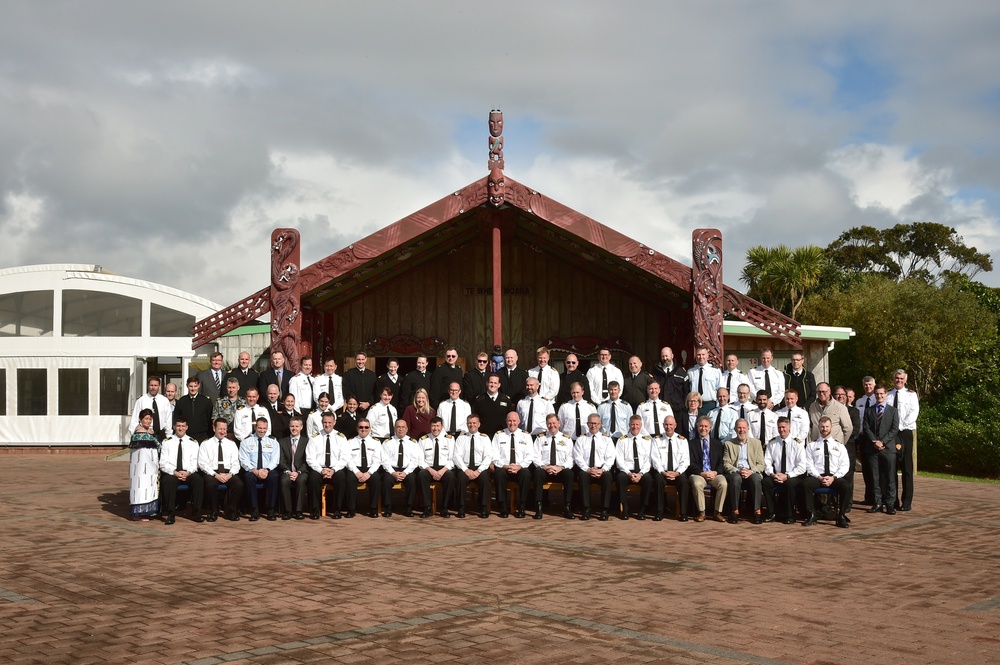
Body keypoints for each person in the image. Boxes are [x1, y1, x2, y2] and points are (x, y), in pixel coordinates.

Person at [802, 416, 852, 528]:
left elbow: (845, 465)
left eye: (827, 426)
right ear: (819, 427)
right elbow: (808, 464)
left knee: (846, 486)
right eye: (822, 426)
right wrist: (819, 477)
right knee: (806, 484)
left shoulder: (839, 446)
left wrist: (833, 477)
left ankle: (841, 516)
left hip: (834, 477)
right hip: (818, 477)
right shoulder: (812, 446)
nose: (824, 429)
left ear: (831, 427)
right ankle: (811, 514)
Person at [761, 416, 809, 524]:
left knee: (789, 484)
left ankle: (789, 515)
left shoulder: (797, 443)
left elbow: (802, 466)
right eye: (779, 427)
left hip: (793, 476)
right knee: (765, 482)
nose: (781, 430)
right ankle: (772, 513)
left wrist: (787, 476)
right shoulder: (772, 443)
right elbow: (767, 462)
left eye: (784, 427)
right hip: (777, 475)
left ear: (789, 427)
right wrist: (773, 474)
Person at [158, 417, 204, 524]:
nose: (180, 428)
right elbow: (163, 463)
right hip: (172, 472)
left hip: (188, 472)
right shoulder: (167, 442)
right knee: (168, 481)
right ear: (174, 427)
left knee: (199, 481)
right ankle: (170, 514)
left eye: (183, 426)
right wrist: (174, 472)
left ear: (187, 427)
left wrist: (188, 472)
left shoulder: (193, 442)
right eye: (178, 426)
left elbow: (195, 462)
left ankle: (197, 512)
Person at [862, 384, 900, 514]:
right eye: (877, 394)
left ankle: (890, 504)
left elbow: (894, 429)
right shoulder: (869, 410)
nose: (879, 396)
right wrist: (875, 441)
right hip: (873, 449)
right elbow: (866, 428)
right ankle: (877, 502)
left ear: (886, 395)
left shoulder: (893, 411)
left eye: (881, 394)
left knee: (890, 478)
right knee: (875, 478)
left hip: (888, 449)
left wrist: (883, 441)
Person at [492, 411, 538, 518]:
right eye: (509, 421)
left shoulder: (526, 435)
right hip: (504, 467)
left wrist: (519, 466)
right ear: (506, 422)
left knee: (526, 474)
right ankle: (503, 506)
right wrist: (505, 466)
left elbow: (530, 455)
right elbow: (494, 455)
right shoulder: (499, 435)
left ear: (519, 422)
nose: (512, 423)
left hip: (520, 467)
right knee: (498, 473)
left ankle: (522, 506)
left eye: (514, 421)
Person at [198, 418, 244, 521]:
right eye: (220, 429)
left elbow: (236, 462)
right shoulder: (206, 444)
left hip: (228, 472)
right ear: (214, 428)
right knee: (210, 485)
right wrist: (215, 475)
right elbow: (202, 463)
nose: (223, 432)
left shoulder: (231, 444)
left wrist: (230, 474)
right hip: (212, 472)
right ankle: (213, 512)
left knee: (239, 484)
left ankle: (231, 511)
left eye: (224, 429)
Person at [305, 412, 348, 519]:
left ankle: (337, 509)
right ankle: (315, 510)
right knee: (312, 479)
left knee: (341, 478)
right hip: (319, 469)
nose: (327, 425)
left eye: (329, 422)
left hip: (335, 469)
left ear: (334, 422)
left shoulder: (341, 437)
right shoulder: (314, 438)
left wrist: (333, 470)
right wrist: (321, 470)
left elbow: (344, 458)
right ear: (321, 422)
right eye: (325, 422)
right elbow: (310, 458)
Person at [573, 413, 615, 521]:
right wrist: (588, 469)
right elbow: (577, 457)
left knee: (608, 477)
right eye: (591, 423)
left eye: (596, 423)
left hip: (601, 469)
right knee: (582, 477)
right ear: (587, 424)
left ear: (600, 424)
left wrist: (603, 470)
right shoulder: (581, 439)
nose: (593, 426)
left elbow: (610, 457)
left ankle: (604, 510)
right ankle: (586, 509)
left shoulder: (607, 439)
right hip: (586, 469)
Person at [722, 418, 765, 524]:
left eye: (744, 428)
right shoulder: (729, 444)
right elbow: (726, 463)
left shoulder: (756, 443)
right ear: (735, 429)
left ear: (748, 429)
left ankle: (757, 511)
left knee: (756, 479)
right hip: (737, 472)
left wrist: (751, 471)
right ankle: (735, 511)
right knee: (735, 479)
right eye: (739, 428)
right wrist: (737, 471)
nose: (742, 430)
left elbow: (761, 464)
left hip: (751, 471)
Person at [888, 370, 919, 511]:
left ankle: (906, 501)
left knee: (907, 468)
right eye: (896, 378)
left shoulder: (911, 395)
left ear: (905, 380)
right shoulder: (888, 395)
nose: (898, 380)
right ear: (893, 379)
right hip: (891, 434)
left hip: (905, 432)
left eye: (901, 378)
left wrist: (899, 426)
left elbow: (913, 413)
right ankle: (892, 500)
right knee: (891, 467)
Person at [239, 417, 280, 521]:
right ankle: (254, 510)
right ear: (255, 427)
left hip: (267, 470)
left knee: (274, 476)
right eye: (260, 428)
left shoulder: (273, 441)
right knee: (248, 477)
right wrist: (254, 470)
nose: (262, 431)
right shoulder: (246, 441)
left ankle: (271, 509)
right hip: (253, 470)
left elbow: (275, 459)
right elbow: (243, 459)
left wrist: (266, 470)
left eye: (264, 428)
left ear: (267, 428)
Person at [687, 416, 728, 522]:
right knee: (696, 484)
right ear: (697, 428)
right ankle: (702, 512)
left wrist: (715, 472)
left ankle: (717, 512)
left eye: (706, 426)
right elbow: (690, 462)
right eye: (701, 426)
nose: (703, 428)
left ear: (710, 428)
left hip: (714, 473)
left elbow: (721, 462)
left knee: (723, 483)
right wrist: (702, 473)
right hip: (699, 474)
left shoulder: (717, 444)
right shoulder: (691, 444)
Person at [536, 413, 576, 520]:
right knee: (537, 473)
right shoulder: (540, 438)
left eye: (554, 423)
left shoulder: (567, 439)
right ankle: (539, 507)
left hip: (560, 470)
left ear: (559, 423)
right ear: (546, 424)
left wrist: (560, 468)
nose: (551, 425)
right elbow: (535, 457)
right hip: (545, 469)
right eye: (549, 423)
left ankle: (567, 506)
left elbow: (571, 458)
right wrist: (545, 467)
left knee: (569, 474)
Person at [453, 414, 494, 518]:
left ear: (479, 424)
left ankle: (484, 507)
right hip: (465, 467)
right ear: (467, 424)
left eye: (474, 423)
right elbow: (456, 456)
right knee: (460, 479)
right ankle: (461, 507)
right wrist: (465, 470)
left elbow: (488, 456)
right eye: (470, 423)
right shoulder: (461, 438)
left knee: (485, 479)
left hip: (480, 467)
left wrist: (478, 471)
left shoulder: (484, 438)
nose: (472, 425)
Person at [651, 415, 690, 521]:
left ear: (675, 425)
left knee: (684, 482)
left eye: (671, 424)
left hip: (677, 473)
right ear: (663, 425)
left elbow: (685, 460)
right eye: (666, 424)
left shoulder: (682, 440)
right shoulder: (657, 440)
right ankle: (659, 512)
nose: (668, 427)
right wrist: (663, 472)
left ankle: (683, 513)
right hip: (663, 472)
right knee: (658, 480)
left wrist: (677, 473)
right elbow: (655, 459)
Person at [615, 415, 654, 520]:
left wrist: (641, 474)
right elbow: (619, 460)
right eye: (632, 424)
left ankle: (642, 510)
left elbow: (648, 460)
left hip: (642, 471)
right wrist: (629, 473)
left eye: (637, 424)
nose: (635, 427)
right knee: (620, 478)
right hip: (627, 471)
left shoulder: (647, 441)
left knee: (648, 479)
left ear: (641, 425)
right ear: (629, 425)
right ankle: (625, 509)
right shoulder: (622, 440)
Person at [341, 419, 382, 518]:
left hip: (370, 468)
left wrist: (369, 473)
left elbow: (377, 460)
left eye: (366, 427)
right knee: (349, 479)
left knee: (376, 479)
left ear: (370, 429)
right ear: (357, 428)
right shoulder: (350, 442)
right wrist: (357, 472)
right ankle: (351, 509)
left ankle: (373, 509)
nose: (363, 429)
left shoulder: (376, 443)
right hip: (355, 468)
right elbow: (348, 459)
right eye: (361, 427)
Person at [381, 418, 422, 517]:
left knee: (412, 481)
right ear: (394, 428)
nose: (400, 429)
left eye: (403, 427)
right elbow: (384, 460)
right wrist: (392, 472)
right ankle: (388, 507)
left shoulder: (413, 442)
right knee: (386, 480)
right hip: (392, 469)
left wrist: (406, 472)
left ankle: (408, 507)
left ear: (407, 429)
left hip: (407, 470)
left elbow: (415, 460)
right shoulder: (387, 442)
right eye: (398, 427)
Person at [417, 417, 456, 518]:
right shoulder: (423, 440)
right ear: (430, 426)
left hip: (444, 469)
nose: (435, 428)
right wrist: (431, 470)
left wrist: (442, 471)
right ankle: (427, 507)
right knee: (421, 475)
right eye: (433, 426)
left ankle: (445, 507)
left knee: (451, 477)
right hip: (429, 468)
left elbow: (452, 459)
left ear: (442, 426)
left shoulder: (450, 439)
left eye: (438, 426)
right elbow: (420, 460)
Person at [833, 384, 862, 513]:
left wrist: (842, 440)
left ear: (846, 397)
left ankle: (847, 504)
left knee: (848, 476)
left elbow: (855, 429)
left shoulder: (853, 411)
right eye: (837, 394)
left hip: (848, 447)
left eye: (842, 395)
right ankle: (834, 502)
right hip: (833, 449)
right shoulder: (831, 410)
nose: (840, 397)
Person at [128, 408, 160, 521]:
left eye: (150, 419)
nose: (148, 421)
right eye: (146, 419)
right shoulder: (138, 434)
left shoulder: (151, 432)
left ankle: (147, 511)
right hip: (140, 468)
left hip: (151, 467)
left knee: (149, 487)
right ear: (140, 419)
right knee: (140, 487)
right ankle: (137, 513)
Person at [277, 415, 308, 520]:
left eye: (296, 426)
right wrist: (288, 471)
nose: (294, 428)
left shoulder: (307, 442)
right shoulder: (282, 442)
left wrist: (298, 472)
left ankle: (299, 511)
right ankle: (288, 511)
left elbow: (307, 461)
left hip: (301, 471)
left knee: (301, 480)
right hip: (287, 471)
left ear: (301, 427)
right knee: (284, 481)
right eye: (292, 426)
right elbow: (281, 460)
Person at [129, 376, 172, 442]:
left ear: (159, 386)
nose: (153, 388)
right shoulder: (141, 401)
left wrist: (169, 437)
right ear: (148, 386)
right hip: (146, 434)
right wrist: (134, 437)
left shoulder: (164, 401)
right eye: (151, 385)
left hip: (161, 435)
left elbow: (168, 420)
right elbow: (134, 420)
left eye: (155, 385)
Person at [174, 376, 213, 442]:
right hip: (186, 436)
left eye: (195, 386)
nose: (193, 388)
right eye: (191, 386)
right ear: (187, 386)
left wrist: (210, 436)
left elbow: (210, 419)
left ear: (199, 386)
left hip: (203, 436)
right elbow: (177, 418)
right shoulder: (181, 401)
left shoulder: (206, 401)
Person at [685, 345, 722, 414]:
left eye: (703, 354)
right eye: (699, 355)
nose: (701, 357)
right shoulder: (690, 371)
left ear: (707, 356)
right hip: (695, 405)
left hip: (710, 405)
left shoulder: (715, 371)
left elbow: (720, 389)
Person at [651, 346, 686, 416]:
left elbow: (686, 391)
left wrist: (682, 406)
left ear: (672, 356)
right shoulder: (656, 372)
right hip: (661, 409)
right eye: (663, 356)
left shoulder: (681, 372)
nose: (665, 358)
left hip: (677, 410)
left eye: (666, 356)